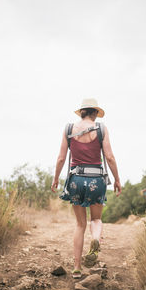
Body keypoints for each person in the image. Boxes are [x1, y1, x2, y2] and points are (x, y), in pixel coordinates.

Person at [51, 98, 121, 278]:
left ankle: (76, 268)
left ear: (81, 112)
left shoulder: (68, 129)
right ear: (95, 113)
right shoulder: (101, 129)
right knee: (96, 220)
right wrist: (117, 179)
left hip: (76, 180)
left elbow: (60, 158)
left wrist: (56, 178)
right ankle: (96, 239)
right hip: (96, 180)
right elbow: (110, 157)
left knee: (80, 224)